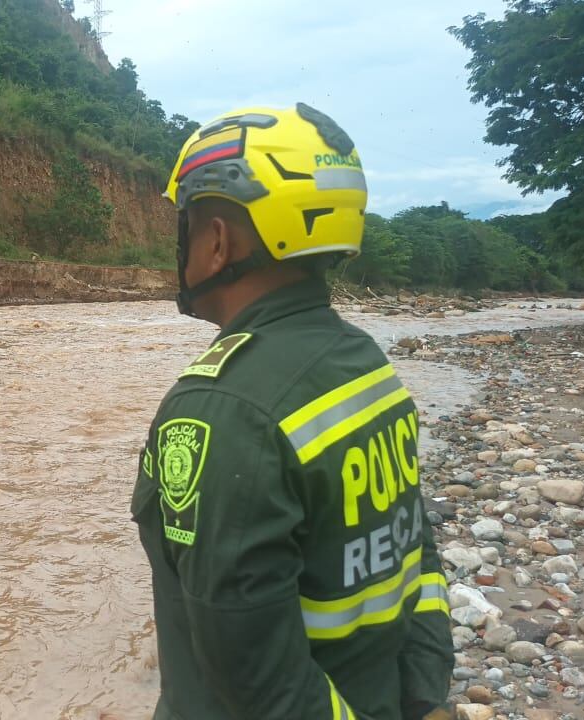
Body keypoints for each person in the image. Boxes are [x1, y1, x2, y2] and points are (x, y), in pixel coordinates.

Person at [131, 104, 454, 720]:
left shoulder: (219, 410)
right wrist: (424, 696)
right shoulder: (364, 363)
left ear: (218, 242)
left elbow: (258, 684)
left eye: (189, 225)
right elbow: (419, 557)